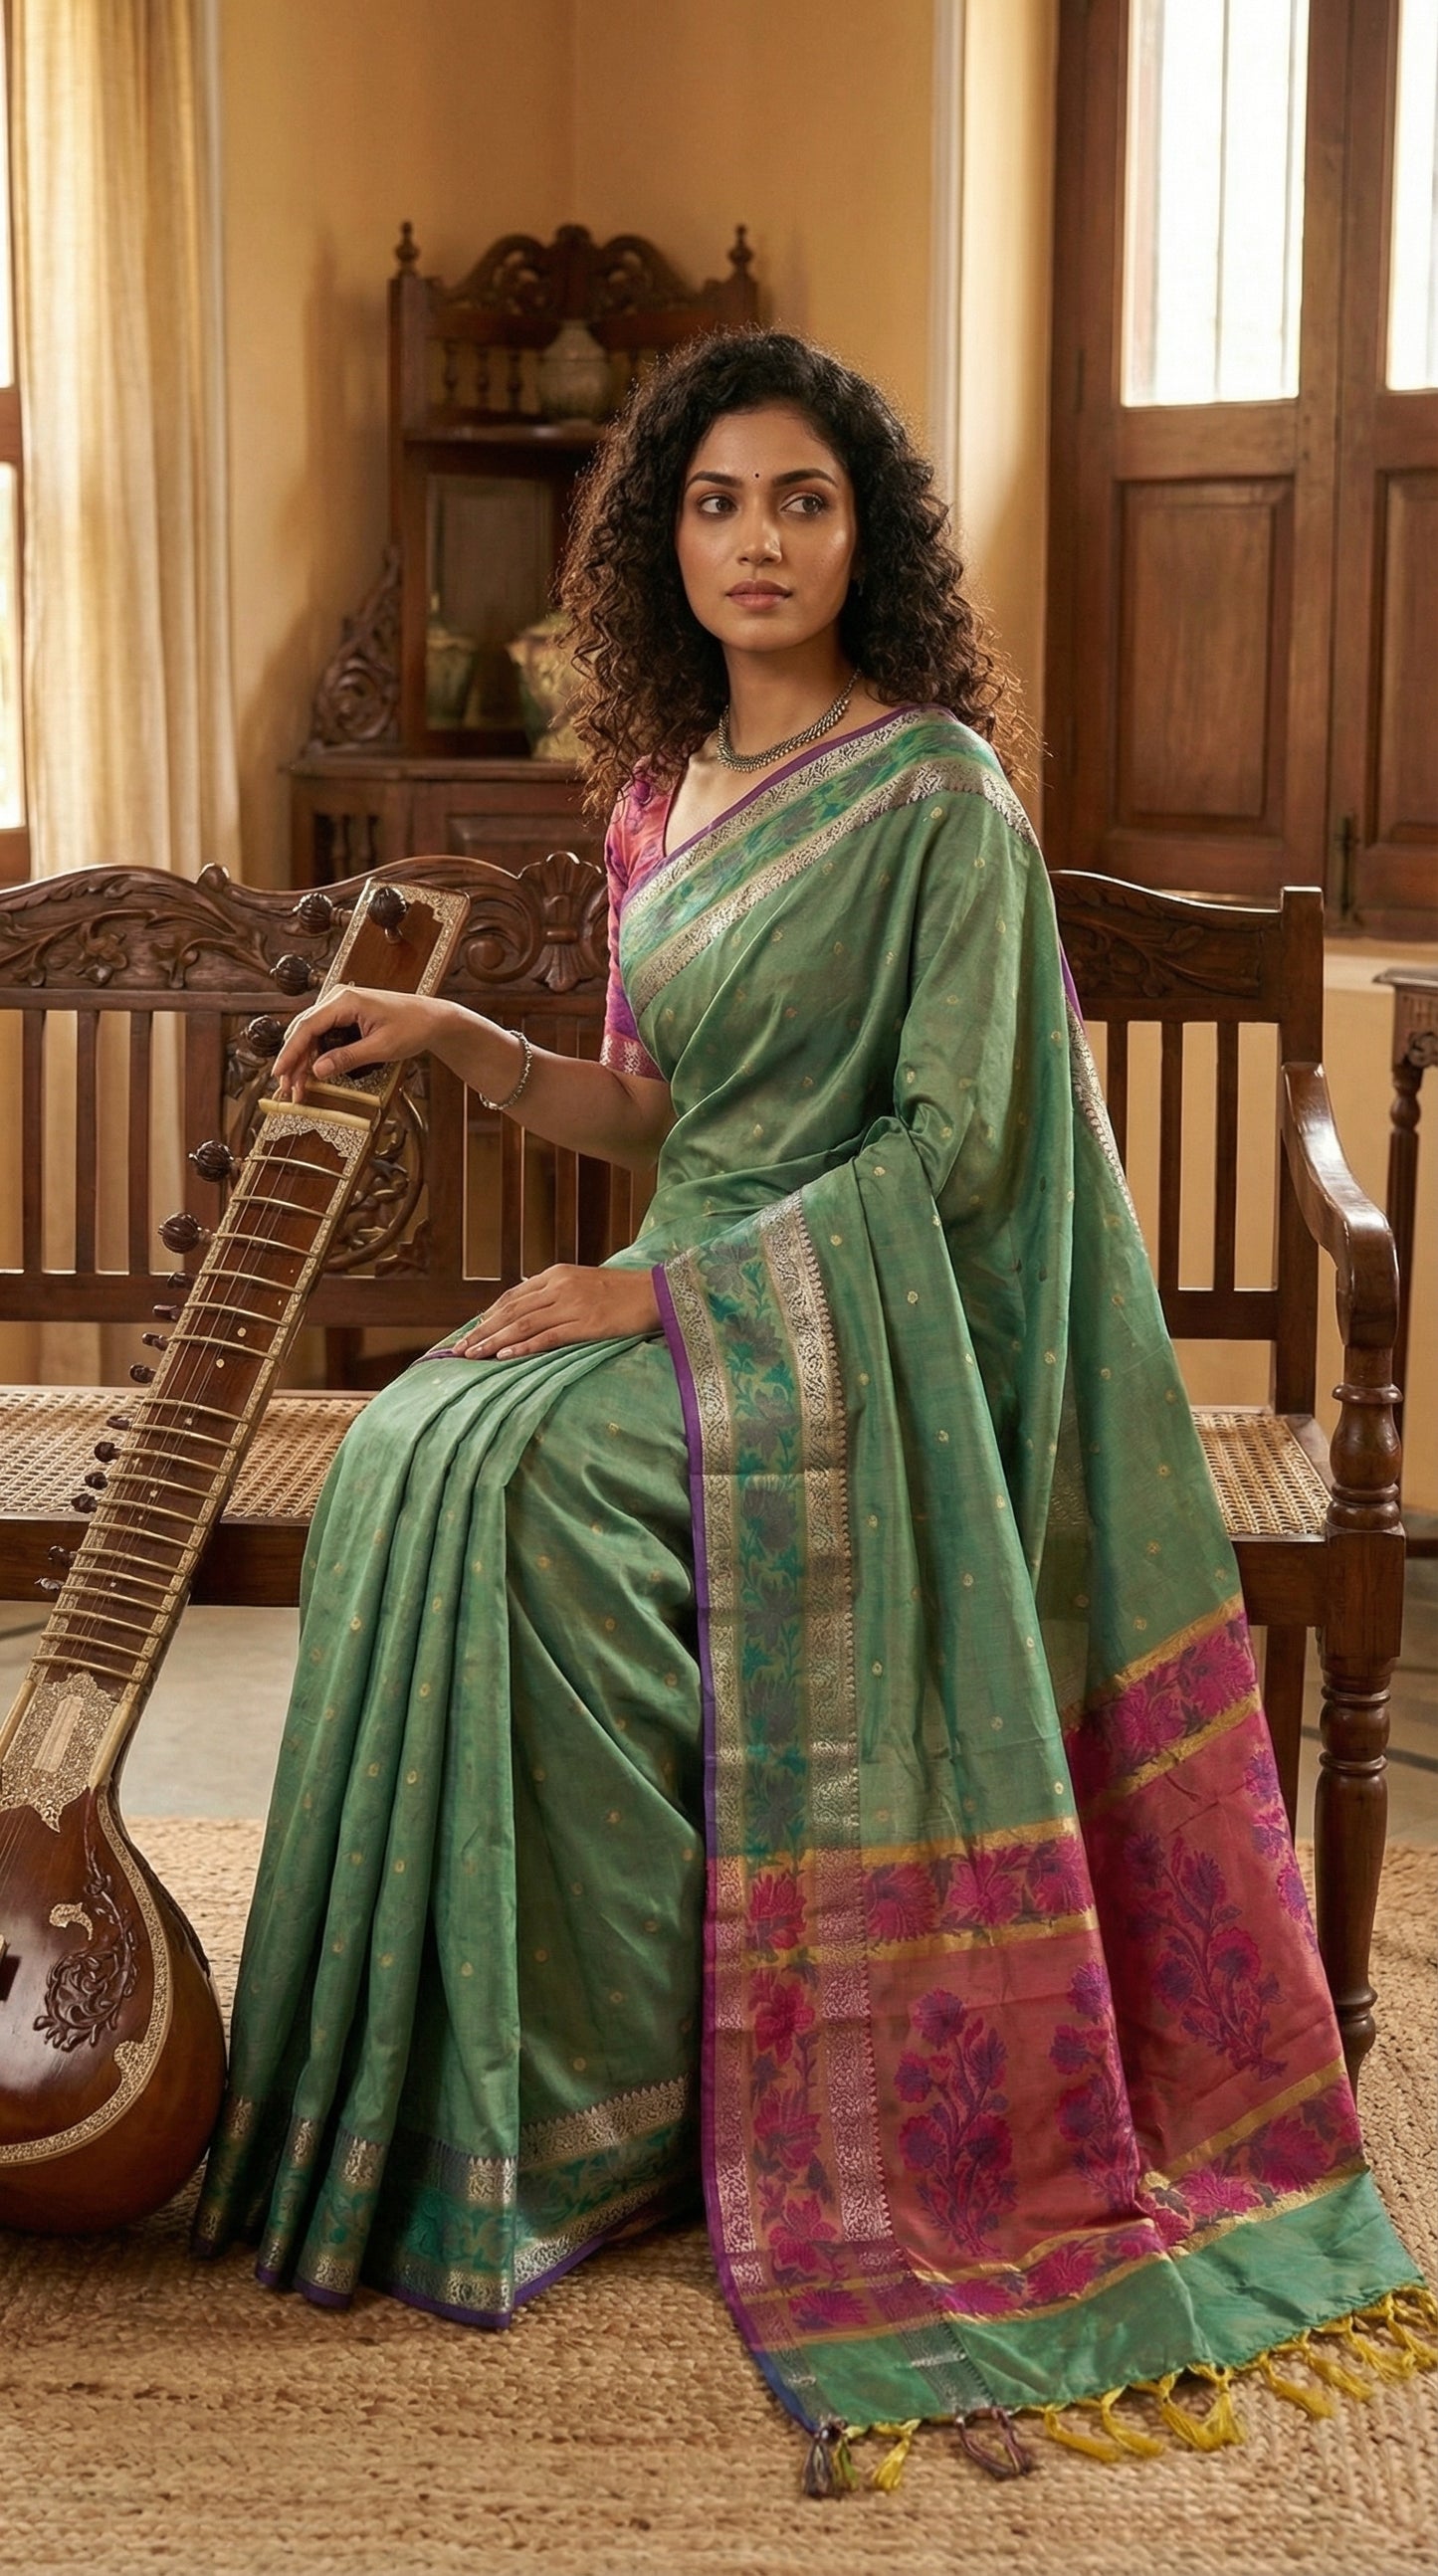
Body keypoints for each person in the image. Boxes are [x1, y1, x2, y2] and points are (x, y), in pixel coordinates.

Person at [193, 329, 1427, 2488]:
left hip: (871, 1339)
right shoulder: (662, 796)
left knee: (528, 1490)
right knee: (413, 1453)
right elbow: (656, 1103)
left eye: (803, 501)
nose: (757, 542)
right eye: (715, 505)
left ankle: (645, 2102)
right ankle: (477, 2090)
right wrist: (464, 1035)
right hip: (703, 1292)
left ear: (870, 537)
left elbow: (950, 1151)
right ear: (659, 545)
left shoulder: (937, 791)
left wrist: (654, 1282)